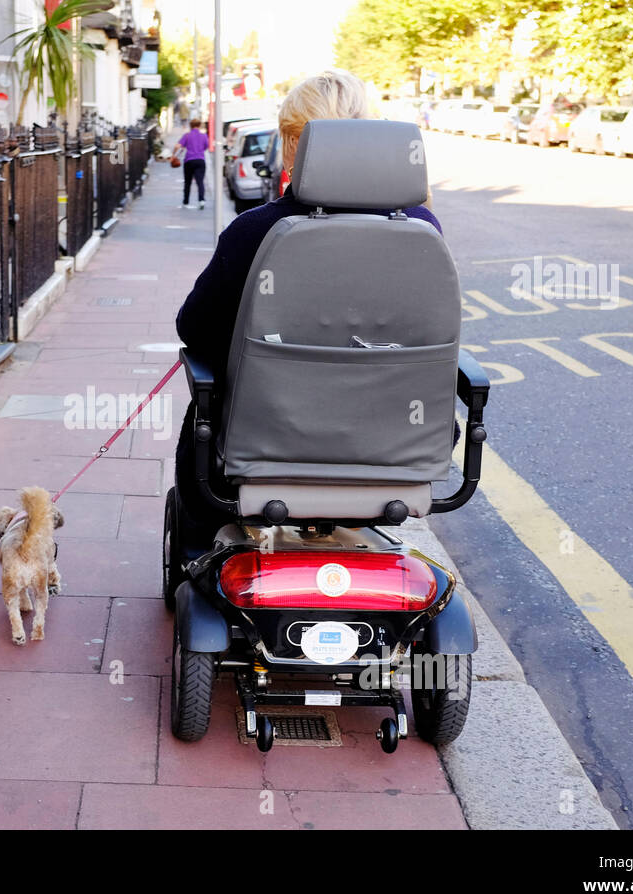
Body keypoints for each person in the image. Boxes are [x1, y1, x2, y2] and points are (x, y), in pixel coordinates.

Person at [171, 70, 443, 556]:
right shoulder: (423, 226)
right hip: (391, 442)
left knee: (203, 415)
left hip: (267, 441)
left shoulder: (254, 230)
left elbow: (195, 330)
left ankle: (197, 555)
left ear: (293, 145)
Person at [171, 118, 210, 209]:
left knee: (187, 182)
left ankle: (186, 201)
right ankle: (201, 201)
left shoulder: (187, 135)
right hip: (200, 160)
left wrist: (173, 155)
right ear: (199, 126)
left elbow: (177, 146)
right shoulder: (204, 136)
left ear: (190, 126)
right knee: (200, 182)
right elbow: (206, 147)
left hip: (189, 161)